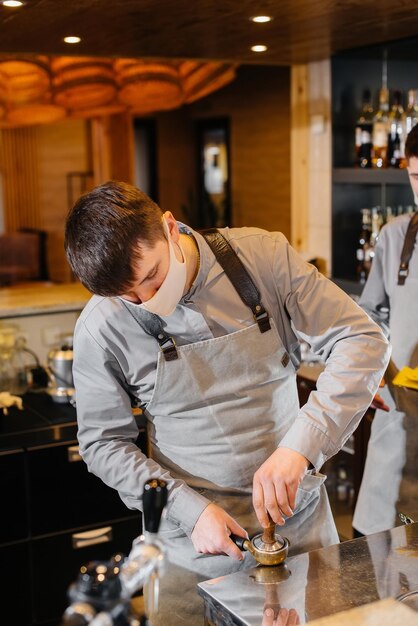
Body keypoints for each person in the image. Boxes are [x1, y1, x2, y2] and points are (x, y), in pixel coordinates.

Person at [64, 181, 389, 578]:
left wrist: (301, 448)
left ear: (169, 227)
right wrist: (187, 509)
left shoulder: (262, 256)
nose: (148, 299)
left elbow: (362, 339)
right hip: (191, 544)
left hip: (301, 526)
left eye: (153, 276)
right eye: (128, 296)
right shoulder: (100, 328)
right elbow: (103, 443)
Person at [353, 126, 418, 536]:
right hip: (400, 407)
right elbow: (369, 315)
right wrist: (375, 370)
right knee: (379, 554)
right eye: (416, 177)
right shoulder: (395, 236)